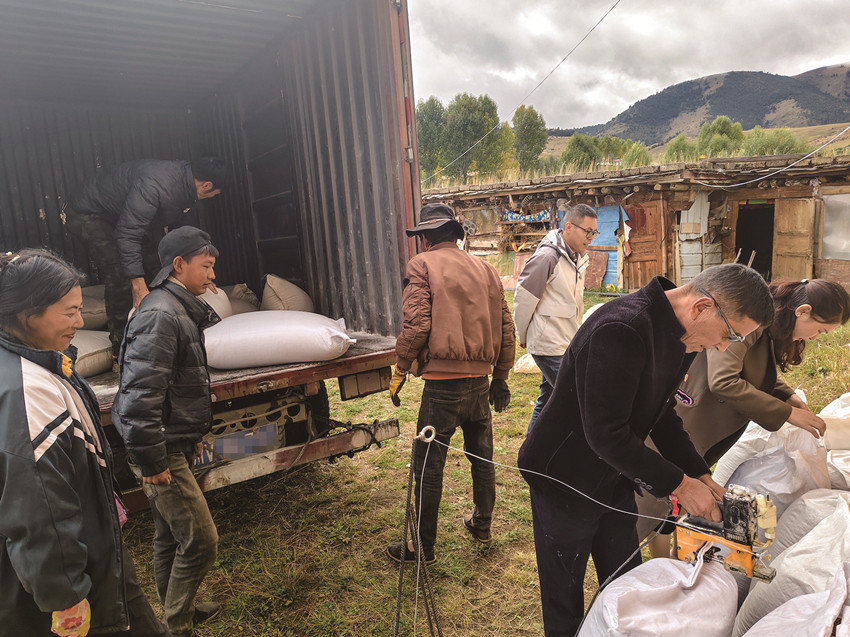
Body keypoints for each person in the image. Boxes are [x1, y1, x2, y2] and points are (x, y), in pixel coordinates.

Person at [517, 263, 775, 636]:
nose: (723, 347)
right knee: (564, 592)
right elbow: (606, 434)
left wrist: (699, 472)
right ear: (702, 307)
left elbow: (662, 413)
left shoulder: (682, 334)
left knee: (627, 577)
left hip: (616, 475)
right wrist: (681, 485)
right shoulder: (621, 329)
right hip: (565, 476)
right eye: (729, 334)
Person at [0, 249, 169, 636]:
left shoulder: (42, 361)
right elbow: (40, 510)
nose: (79, 321)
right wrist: (66, 596)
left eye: (80, 310)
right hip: (73, 577)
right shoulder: (28, 392)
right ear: (28, 314)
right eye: (69, 312)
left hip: (94, 552)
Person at [638, 278, 850, 552]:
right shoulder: (752, 320)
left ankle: (666, 558)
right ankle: (636, 559)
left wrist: (787, 395)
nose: (814, 338)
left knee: (677, 495)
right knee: (658, 492)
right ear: (803, 311)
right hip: (691, 415)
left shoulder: (772, 325)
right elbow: (724, 380)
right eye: (819, 330)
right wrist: (787, 413)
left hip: (707, 424)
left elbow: (752, 371)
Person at [386, 203, 515, 564]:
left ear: (425, 238)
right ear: (455, 235)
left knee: (428, 466)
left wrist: (400, 368)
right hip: (480, 384)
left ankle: (422, 548)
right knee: (482, 458)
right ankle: (482, 526)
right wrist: (501, 377)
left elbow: (417, 324)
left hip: (442, 388)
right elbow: (506, 327)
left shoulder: (422, 264)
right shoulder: (487, 269)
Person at [112, 227, 222, 637]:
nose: (212, 275)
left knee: (168, 536)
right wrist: (153, 460)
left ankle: (180, 612)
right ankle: (177, 626)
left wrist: (190, 434)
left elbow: (174, 385)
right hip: (160, 450)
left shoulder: (175, 308)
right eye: (206, 266)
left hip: (170, 441)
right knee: (201, 540)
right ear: (179, 265)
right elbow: (140, 396)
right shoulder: (161, 314)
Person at [65, 157, 229, 356]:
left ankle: (162, 334)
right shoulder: (156, 185)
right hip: (89, 213)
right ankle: (121, 350)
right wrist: (138, 286)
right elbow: (128, 234)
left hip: (125, 214)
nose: (207, 198)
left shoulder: (188, 192)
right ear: (206, 185)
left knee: (156, 264)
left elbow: (184, 239)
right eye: (210, 195)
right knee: (121, 271)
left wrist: (201, 272)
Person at [514, 203, 597, 433]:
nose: (591, 237)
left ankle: (532, 446)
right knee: (576, 398)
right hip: (548, 344)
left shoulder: (578, 258)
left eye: (594, 232)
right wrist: (523, 335)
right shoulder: (547, 257)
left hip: (566, 342)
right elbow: (523, 299)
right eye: (587, 231)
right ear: (568, 227)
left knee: (548, 398)